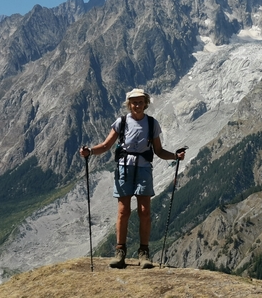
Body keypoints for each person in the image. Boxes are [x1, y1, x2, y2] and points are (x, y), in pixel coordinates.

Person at [79, 88, 185, 269]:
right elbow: (106, 145)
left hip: (142, 169)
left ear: (145, 103)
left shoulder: (152, 124)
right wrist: (89, 152)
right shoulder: (121, 122)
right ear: (129, 104)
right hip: (124, 169)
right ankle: (120, 251)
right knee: (123, 211)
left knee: (144, 211)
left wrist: (175, 156)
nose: (137, 105)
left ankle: (144, 253)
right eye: (134, 102)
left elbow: (158, 151)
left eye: (140, 102)